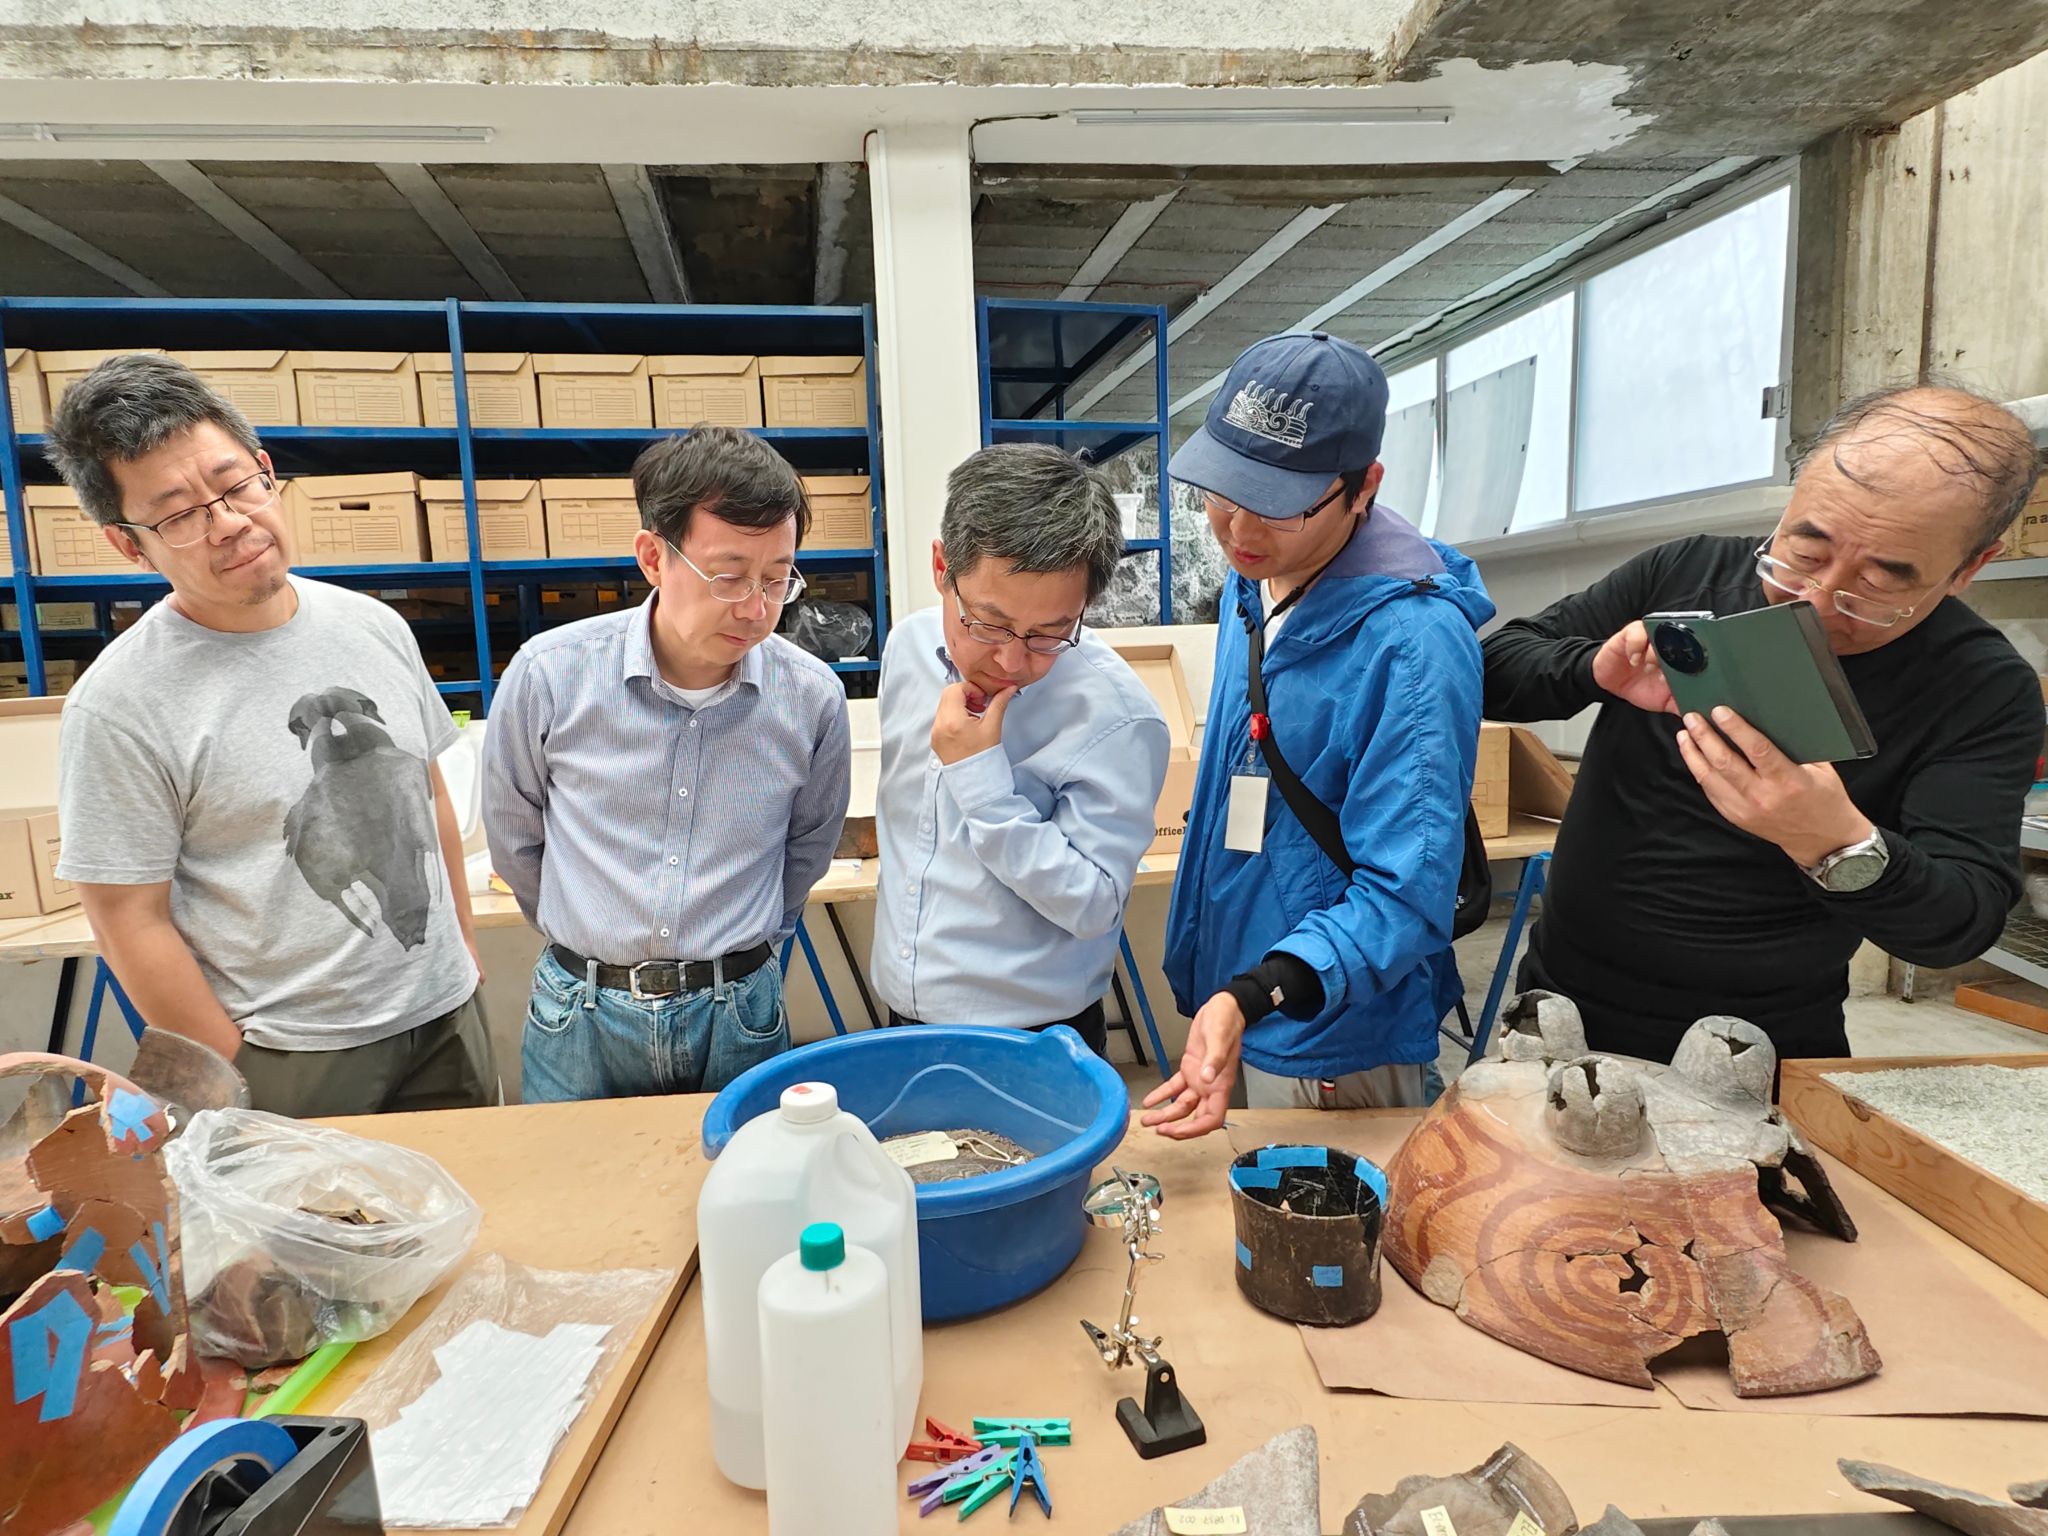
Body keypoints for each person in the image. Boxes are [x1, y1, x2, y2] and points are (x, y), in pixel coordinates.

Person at [1482, 384, 2042, 1061]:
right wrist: (1590, 670)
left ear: (1969, 567)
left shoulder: (1980, 688)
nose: (1816, 601)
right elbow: (1491, 673)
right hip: (1561, 1002)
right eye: (1805, 550)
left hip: (1762, 1042)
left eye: (1881, 580)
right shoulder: (1687, 574)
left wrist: (1835, 843)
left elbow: (1958, 924)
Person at [47, 354, 493, 1117]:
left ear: (267, 471)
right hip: (290, 1051)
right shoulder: (119, 704)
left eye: (235, 486)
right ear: (129, 544)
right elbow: (125, 917)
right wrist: (234, 1066)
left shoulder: (374, 626)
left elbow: (426, 794)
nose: (229, 523)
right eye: (180, 515)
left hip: (445, 1019)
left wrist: (466, 955)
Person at [1144, 331, 1494, 1139]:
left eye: (1276, 502)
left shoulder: (1411, 647)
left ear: (1364, 487)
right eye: (1221, 490)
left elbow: (1405, 895)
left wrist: (1260, 989)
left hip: (1336, 1034)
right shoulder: (1254, 581)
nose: (1236, 527)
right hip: (1240, 995)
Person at [484, 426, 849, 1101]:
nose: (756, 609)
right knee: (570, 1171)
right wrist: (589, 939)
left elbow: (806, 852)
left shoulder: (812, 700)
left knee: (740, 1169)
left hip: (738, 1012)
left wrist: (749, 958)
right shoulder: (550, 676)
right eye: (729, 577)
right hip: (580, 1014)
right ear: (654, 557)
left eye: (777, 580)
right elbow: (515, 843)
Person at [869, 444, 1170, 1052]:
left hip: (1036, 1039)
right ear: (941, 568)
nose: (1011, 660)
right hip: (901, 1017)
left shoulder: (1116, 717)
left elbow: (1094, 906)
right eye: (988, 623)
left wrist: (982, 784)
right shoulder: (907, 649)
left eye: (1049, 634)